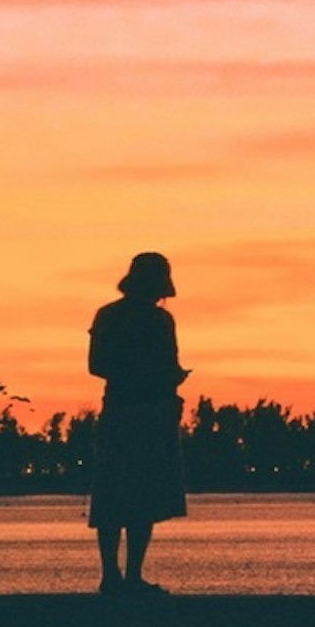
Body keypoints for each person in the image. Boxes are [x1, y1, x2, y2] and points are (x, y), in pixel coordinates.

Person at [86, 251, 189, 594]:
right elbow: (168, 366)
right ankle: (128, 576)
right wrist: (159, 375)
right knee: (141, 495)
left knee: (114, 494)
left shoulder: (109, 315)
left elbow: (97, 365)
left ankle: (113, 576)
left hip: (120, 408)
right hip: (146, 409)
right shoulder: (160, 321)